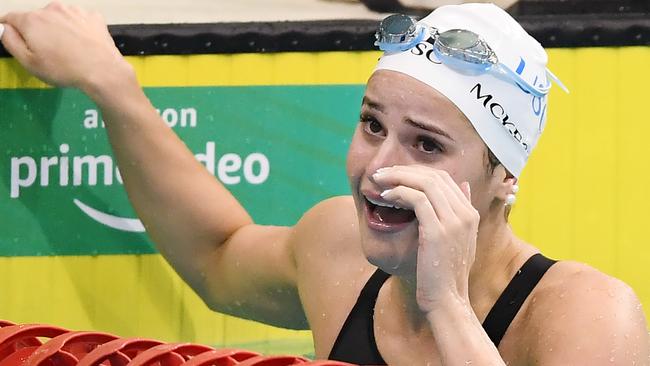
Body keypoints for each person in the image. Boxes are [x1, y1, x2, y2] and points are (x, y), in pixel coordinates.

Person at [1, 2, 649, 364]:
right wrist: (113, 87)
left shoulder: (584, 319)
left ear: (503, 175)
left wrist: (446, 305)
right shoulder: (339, 253)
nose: (379, 168)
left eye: (426, 144)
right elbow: (217, 253)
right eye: (372, 125)